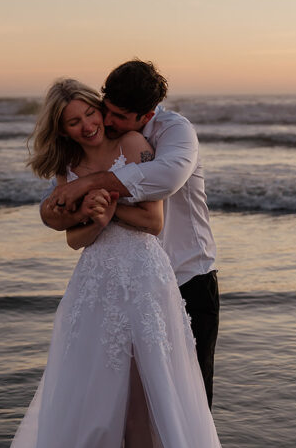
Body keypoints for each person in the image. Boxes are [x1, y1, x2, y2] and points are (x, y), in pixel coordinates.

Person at [0, 78, 259, 448]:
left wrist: (106, 206)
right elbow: (75, 240)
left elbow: (154, 221)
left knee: (144, 397)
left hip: (143, 278)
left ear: (101, 110)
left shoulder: (136, 143)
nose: (87, 125)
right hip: (95, 284)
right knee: (92, 391)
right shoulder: (69, 167)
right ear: (63, 129)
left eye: (89, 114)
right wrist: (90, 220)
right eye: (73, 122)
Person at [42, 59, 219, 406]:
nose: (106, 121)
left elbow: (165, 180)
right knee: (126, 398)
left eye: (118, 117)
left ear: (147, 114)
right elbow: (60, 214)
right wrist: (70, 209)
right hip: (130, 285)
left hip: (188, 276)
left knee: (189, 400)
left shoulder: (175, 132)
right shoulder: (100, 144)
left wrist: (94, 188)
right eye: (105, 110)